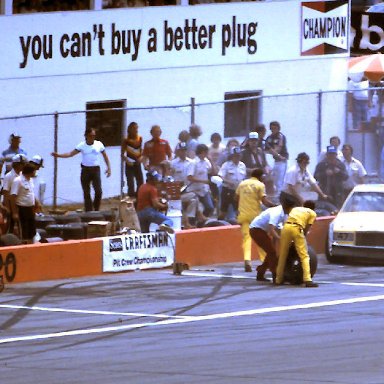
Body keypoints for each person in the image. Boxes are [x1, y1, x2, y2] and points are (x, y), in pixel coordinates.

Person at [51, 127, 111, 212]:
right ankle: (89, 210)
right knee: (86, 192)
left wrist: (109, 168)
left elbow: (105, 156)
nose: (92, 138)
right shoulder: (81, 145)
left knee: (98, 191)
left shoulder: (99, 144)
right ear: (86, 136)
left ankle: (96, 208)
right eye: (90, 136)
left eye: (94, 136)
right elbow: (70, 154)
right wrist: (59, 155)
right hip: (85, 170)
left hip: (95, 169)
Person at [236, 168, 275, 272]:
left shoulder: (242, 183)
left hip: (243, 215)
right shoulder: (260, 185)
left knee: (246, 239)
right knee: (262, 240)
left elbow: (236, 198)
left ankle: (247, 260)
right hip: (255, 217)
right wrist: (274, 206)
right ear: (261, 176)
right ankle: (264, 260)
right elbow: (265, 201)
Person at [275, 200, 319, 287]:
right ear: (313, 208)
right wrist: (304, 237)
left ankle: (278, 279)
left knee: (283, 255)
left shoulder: (296, 209)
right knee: (304, 256)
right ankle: (307, 280)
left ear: (303, 205)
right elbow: (307, 228)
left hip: (286, 227)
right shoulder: (312, 213)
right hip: (297, 228)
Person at [250, 199, 295, 282]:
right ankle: (275, 275)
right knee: (272, 253)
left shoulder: (285, 214)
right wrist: (279, 239)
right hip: (256, 230)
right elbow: (271, 229)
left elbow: (284, 229)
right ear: (288, 208)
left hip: (263, 230)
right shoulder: (276, 213)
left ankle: (260, 273)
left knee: (270, 252)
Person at [170, 142, 205, 228]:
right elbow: (170, 176)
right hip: (175, 191)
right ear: (178, 152)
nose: (183, 152)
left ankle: (189, 220)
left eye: (185, 150)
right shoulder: (173, 163)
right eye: (181, 151)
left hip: (187, 189)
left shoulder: (191, 162)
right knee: (193, 198)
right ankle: (197, 216)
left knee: (193, 199)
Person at [10, 164, 42, 243]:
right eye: (34, 171)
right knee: (24, 230)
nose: (35, 172)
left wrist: (37, 202)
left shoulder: (30, 180)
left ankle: (31, 245)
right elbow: (13, 197)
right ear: (30, 172)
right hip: (22, 208)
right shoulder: (18, 180)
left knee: (32, 230)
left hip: (30, 208)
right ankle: (24, 246)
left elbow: (31, 193)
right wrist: (14, 213)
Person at [187, 144, 216, 218]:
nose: (206, 154)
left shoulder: (206, 161)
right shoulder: (193, 163)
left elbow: (213, 172)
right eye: (205, 152)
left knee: (210, 207)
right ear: (201, 152)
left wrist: (211, 161)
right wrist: (203, 181)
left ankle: (202, 222)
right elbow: (190, 177)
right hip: (194, 190)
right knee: (196, 210)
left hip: (204, 190)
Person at [217, 146, 246, 220]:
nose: (237, 158)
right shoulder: (226, 165)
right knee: (223, 212)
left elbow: (243, 178)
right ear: (232, 156)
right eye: (235, 156)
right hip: (227, 190)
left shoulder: (242, 165)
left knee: (238, 211)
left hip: (238, 191)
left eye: (238, 156)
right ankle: (218, 225)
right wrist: (229, 182)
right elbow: (220, 176)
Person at [2, 154, 27, 233]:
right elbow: (5, 193)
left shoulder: (21, 175)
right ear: (17, 164)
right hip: (10, 205)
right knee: (9, 227)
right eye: (23, 164)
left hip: (19, 205)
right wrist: (9, 210)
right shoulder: (9, 176)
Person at [265, 121, 289, 197]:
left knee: (280, 179)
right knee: (274, 179)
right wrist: (272, 152)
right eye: (271, 128)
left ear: (278, 128)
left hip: (282, 161)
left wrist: (272, 151)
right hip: (274, 160)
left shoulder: (281, 136)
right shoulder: (269, 138)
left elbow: (278, 148)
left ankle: (279, 196)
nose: (273, 130)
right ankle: (275, 194)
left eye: (275, 128)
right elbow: (265, 150)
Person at [121, 121, 143, 198]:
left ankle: (139, 198)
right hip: (129, 164)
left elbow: (141, 150)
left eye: (137, 128)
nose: (136, 130)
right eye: (134, 128)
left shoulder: (140, 138)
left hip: (138, 163)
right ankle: (131, 199)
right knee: (130, 183)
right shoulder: (126, 140)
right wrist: (126, 160)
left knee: (140, 182)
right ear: (130, 129)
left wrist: (141, 158)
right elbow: (122, 154)